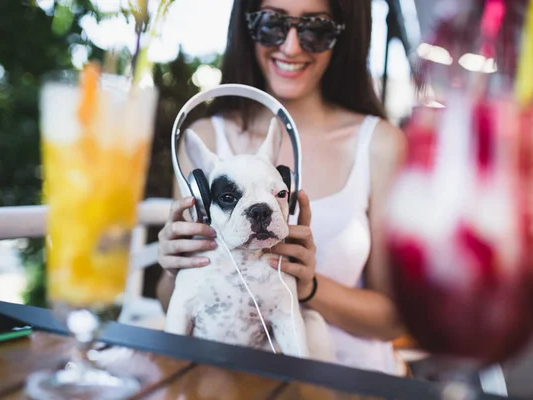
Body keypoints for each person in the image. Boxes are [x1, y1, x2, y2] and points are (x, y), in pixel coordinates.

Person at [156, 0, 408, 375]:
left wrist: (308, 286)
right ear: (247, 26)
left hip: (353, 378)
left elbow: (396, 319)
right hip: (232, 384)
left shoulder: (381, 145)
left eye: (315, 28)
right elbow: (170, 301)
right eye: (271, 23)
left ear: (342, 35)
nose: (291, 46)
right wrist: (175, 266)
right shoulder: (204, 139)